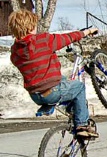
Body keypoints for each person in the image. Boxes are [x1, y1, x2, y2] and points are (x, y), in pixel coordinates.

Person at [8, 9, 99, 138]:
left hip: (35, 95)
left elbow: (21, 61)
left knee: (62, 80)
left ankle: (61, 106)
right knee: (79, 87)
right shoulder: (43, 40)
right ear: (31, 26)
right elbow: (68, 38)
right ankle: (82, 125)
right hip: (52, 91)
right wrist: (87, 31)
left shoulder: (15, 51)